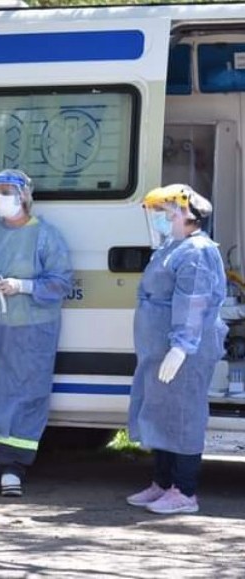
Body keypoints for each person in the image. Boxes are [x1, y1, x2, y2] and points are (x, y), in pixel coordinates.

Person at [0, 169, 73, 497]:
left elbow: (61, 282)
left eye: (7, 191)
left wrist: (23, 286)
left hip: (30, 333)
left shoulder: (46, 237)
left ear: (24, 196)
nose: (0, 198)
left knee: (25, 393)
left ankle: (13, 468)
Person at [126, 184, 227, 515]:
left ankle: (184, 492)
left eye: (166, 213)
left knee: (183, 415)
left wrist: (181, 348)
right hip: (160, 348)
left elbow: (193, 303)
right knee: (161, 412)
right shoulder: (173, 246)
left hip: (185, 350)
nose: (160, 219)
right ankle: (163, 482)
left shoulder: (197, 251)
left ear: (187, 214)